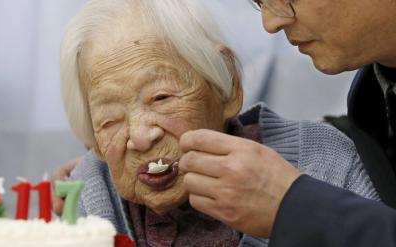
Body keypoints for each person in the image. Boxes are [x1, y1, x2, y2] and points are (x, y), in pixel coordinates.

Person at [55, 0, 380, 246]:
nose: (141, 137)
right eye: (110, 120)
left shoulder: (324, 162)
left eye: (161, 98)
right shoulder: (87, 193)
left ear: (227, 86)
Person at [179, 0, 396, 246]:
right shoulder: (372, 101)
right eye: (259, 3)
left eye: (287, 0)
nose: (270, 24)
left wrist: (296, 207)